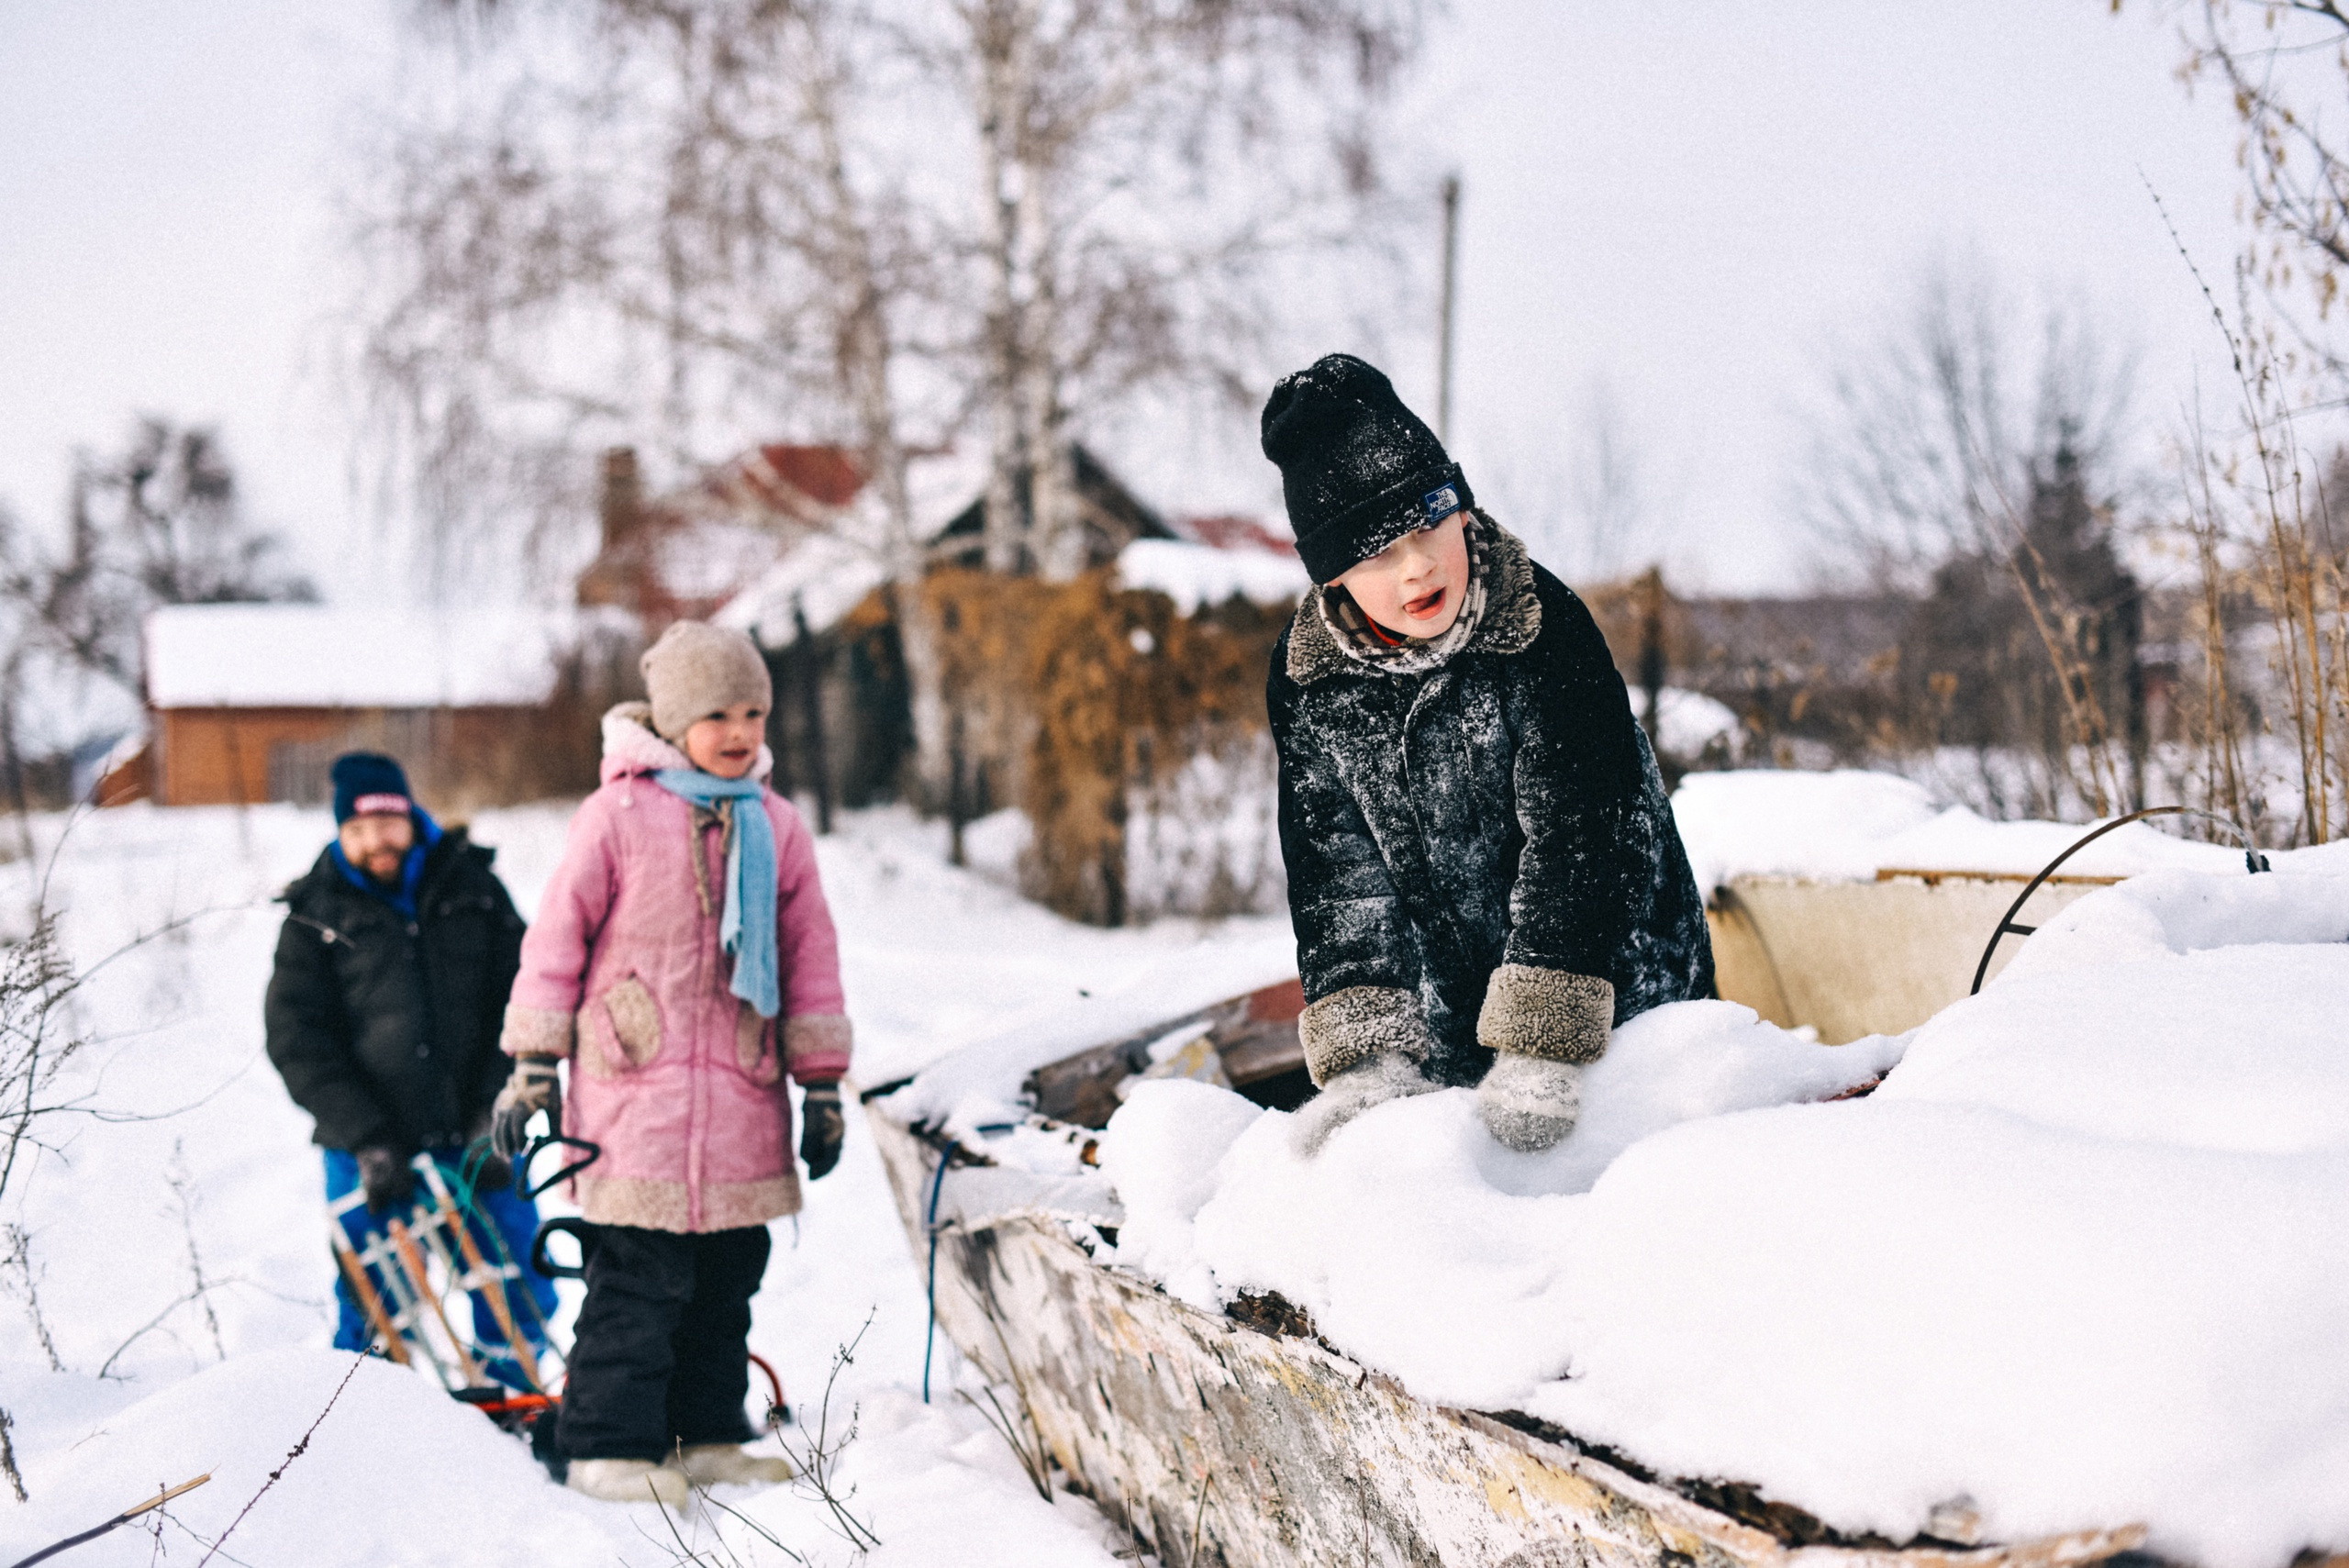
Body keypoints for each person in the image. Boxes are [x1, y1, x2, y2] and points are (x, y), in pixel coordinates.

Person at [1260, 353, 1714, 1156]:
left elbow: (1586, 834)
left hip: (1624, 999)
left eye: (1430, 521)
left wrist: (1543, 1036)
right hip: (1454, 1030)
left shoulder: (1541, 627)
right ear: (1333, 577)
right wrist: (1368, 1059)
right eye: (1376, 552)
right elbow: (1339, 881)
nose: (1418, 566)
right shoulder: (1310, 685)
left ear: (1462, 510)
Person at [490, 620, 852, 1506]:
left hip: (740, 1091)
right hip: (632, 1098)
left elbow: (810, 958)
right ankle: (608, 1445)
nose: (739, 732)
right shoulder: (615, 815)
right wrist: (535, 1064)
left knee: (726, 1280)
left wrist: (823, 1085)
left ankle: (707, 1435)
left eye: (754, 712)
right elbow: (555, 940)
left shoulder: (778, 826)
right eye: (718, 713)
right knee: (638, 1283)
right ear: (673, 718)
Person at [263, 751, 556, 1380]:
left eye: (387, 823)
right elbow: (296, 1037)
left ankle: (516, 1401)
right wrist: (365, 1136)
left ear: (411, 816)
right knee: (374, 1301)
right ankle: (375, 1427)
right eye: (359, 829)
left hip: (478, 1133)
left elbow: (526, 996)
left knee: (514, 1280)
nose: (376, 841)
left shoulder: (472, 885)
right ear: (340, 831)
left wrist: (497, 1105)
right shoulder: (316, 911)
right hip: (371, 1146)